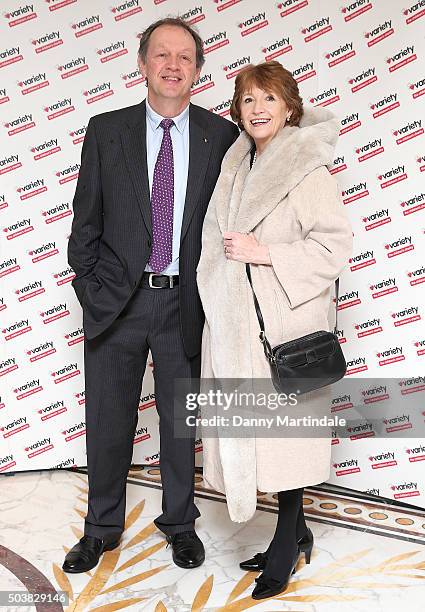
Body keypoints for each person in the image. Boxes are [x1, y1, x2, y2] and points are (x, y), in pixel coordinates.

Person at [63, 17, 239, 574]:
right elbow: (84, 223)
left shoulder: (221, 137)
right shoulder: (106, 130)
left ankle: (179, 525)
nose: (171, 65)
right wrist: (92, 290)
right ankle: (100, 529)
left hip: (183, 303)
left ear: (196, 71)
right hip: (118, 300)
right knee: (109, 419)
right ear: (142, 65)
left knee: (178, 423)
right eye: (161, 55)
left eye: (184, 57)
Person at [196, 61, 353, 599]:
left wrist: (265, 254)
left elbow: (333, 246)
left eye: (268, 98)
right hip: (238, 327)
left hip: (284, 331)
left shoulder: (306, 170)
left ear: (290, 107)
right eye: (247, 100)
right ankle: (298, 531)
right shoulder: (235, 168)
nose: (257, 109)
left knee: (284, 442)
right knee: (261, 441)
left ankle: (286, 543)